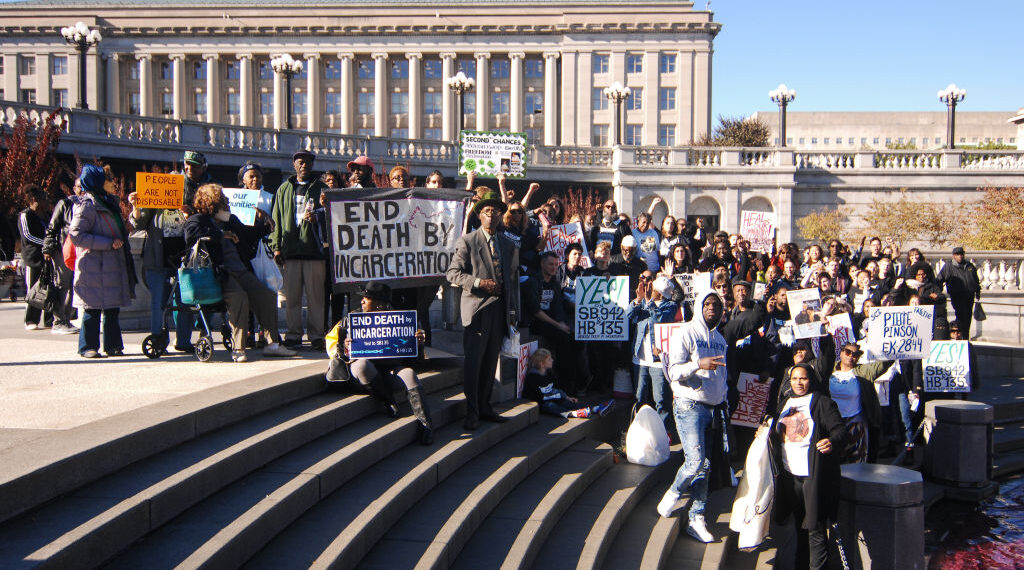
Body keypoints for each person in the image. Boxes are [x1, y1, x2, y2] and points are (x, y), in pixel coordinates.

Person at [184, 184, 297, 362]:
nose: (227, 203)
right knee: (239, 297)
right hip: (219, 274)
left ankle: (273, 344)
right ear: (211, 203)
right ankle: (238, 348)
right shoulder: (197, 220)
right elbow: (191, 236)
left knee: (266, 296)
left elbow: (247, 234)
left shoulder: (231, 220)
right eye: (223, 200)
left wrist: (265, 224)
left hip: (240, 270)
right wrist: (221, 234)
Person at [657, 291, 728, 544]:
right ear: (699, 306)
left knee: (705, 466)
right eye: (707, 304)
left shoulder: (720, 338)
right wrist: (699, 364)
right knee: (695, 460)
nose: (712, 308)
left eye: (716, 305)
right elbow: (674, 371)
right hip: (689, 404)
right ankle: (673, 493)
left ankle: (697, 517)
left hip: (713, 407)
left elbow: (722, 376)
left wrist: (724, 399)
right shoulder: (685, 332)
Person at [447, 188, 520, 430]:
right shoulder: (468, 241)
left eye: (496, 211)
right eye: (487, 211)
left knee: (490, 362)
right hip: (477, 310)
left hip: (499, 311)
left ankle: (485, 406)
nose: (492, 215)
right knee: (474, 363)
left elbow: (512, 280)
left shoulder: (507, 244)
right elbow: (453, 274)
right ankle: (472, 411)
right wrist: (479, 283)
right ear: (480, 215)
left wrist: (513, 312)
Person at [336, 281, 435, 444]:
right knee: (362, 366)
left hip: (391, 370)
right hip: (367, 373)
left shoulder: (400, 320)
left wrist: (418, 345)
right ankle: (389, 401)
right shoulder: (351, 319)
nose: (362, 301)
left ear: (379, 305)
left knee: (409, 374)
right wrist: (346, 347)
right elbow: (339, 353)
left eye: (366, 298)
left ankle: (426, 425)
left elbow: (415, 363)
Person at [772, 363, 847, 570]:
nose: (799, 383)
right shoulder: (784, 402)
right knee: (799, 526)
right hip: (790, 476)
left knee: (815, 528)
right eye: (794, 379)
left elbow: (840, 431)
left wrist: (831, 441)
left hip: (813, 476)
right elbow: (775, 430)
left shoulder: (822, 402)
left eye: (803, 378)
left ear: (811, 380)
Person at [69, 165, 134, 358]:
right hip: (93, 265)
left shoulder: (109, 202)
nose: (112, 183)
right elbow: (76, 235)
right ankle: (88, 346)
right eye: (108, 179)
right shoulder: (87, 205)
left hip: (111, 263)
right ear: (97, 182)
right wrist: (107, 243)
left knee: (112, 308)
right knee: (92, 308)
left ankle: (113, 345)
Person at [270, 149, 329, 350]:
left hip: (314, 252)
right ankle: (293, 334)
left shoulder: (322, 189)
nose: (304, 165)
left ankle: (316, 335)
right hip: (291, 251)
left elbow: (331, 216)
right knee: (292, 298)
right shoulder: (284, 189)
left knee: (316, 298)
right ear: (294, 165)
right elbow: (276, 220)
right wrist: (276, 248)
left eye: (308, 162)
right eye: (300, 162)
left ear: (312, 165)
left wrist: (318, 218)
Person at [629, 274, 679, 429]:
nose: (649, 289)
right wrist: (638, 300)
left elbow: (660, 320)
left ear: (661, 293)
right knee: (639, 397)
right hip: (640, 359)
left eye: (653, 288)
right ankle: (639, 430)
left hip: (658, 360)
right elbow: (628, 315)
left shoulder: (670, 306)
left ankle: (664, 432)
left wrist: (650, 303)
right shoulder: (643, 303)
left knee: (661, 400)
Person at [41, 181, 82, 334]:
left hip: (80, 251)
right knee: (63, 284)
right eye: (79, 187)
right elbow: (52, 228)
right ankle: (58, 321)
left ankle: (66, 319)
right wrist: (48, 249)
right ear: (74, 189)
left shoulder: (88, 204)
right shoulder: (65, 204)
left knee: (74, 285)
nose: (82, 190)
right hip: (63, 250)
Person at [523, 348, 612, 418]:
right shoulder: (533, 377)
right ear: (542, 364)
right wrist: (559, 397)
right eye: (549, 359)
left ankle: (595, 408)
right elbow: (540, 396)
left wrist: (567, 397)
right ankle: (573, 414)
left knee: (567, 402)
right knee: (550, 406)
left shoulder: (549, 373)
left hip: (553, 398)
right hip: (542, 403)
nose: (552, 360)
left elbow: (556, 388)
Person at [19, 185, 54, 331]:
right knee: (35, 288)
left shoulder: (47, 215)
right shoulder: (25, 215)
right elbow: (28, 236)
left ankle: (50, 319)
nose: (47, 202)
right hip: (33, 258)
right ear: (34, 200)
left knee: (51, 288)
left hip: (49, 257)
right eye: (44, 199)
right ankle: (31, 320)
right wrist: (47, 244)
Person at [938, 246, 981, 339]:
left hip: (969, 295)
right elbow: (939, 279)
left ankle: (965, 337)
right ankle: (960, 336)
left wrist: (977, 291)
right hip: (957, 296)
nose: (960, 256)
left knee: (968, 317)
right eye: (957, 254)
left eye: (961, 254)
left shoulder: (969, 265)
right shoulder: (949, 266)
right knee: (961, 316)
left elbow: (975, 279)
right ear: (954, 256)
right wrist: (938, 293)